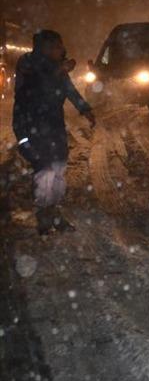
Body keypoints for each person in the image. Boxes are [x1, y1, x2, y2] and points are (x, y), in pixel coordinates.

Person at [12, 29, 96, 234]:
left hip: (54, 126)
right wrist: (56, 71)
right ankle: (43, 216)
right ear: (45, 47)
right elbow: (32, 91)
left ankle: (54, 214)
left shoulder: (57, 68)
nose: (62, 49)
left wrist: (85, 108)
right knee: (44, 170)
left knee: (58, 169)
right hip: (31, 126)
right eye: (57, 46)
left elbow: (69, 90)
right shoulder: (27, 64)